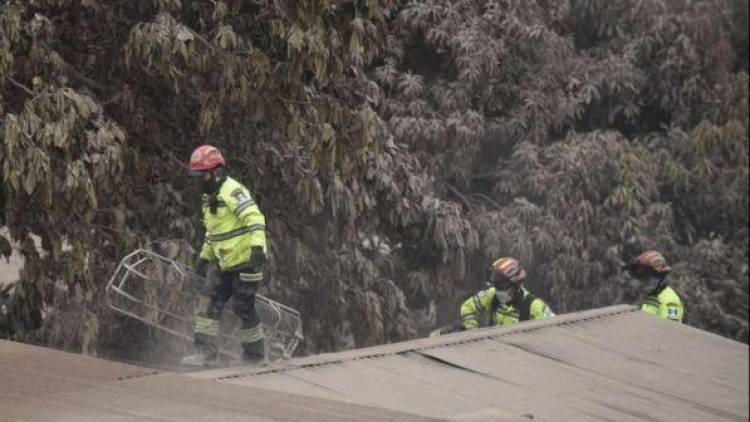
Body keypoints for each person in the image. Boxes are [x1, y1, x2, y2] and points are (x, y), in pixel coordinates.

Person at [181, 145, 268, 366]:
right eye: (197, 176)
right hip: (223, 262)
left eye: (203, 175)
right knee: (208, 302)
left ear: (217, 172)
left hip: (247, 260)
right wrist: (203, 258)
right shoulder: (208, 197)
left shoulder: (233, 191)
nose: (200, 180)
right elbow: (214, 232)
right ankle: (205, 353)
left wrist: (258, 247)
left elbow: (255, 218)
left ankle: (255, 355)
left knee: (243, 307)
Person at [626, 250, 684, 322]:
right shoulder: (649, 297)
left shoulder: (670, 301)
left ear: (660, 276)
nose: (642, 281)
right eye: (640, 277)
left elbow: (671, 330)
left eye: (646, 276)